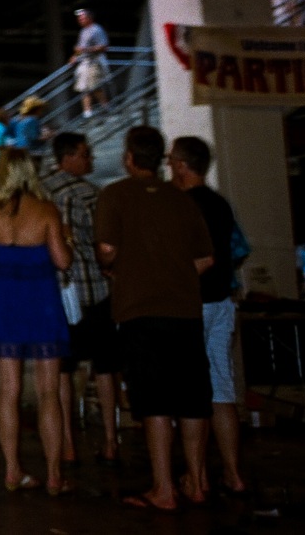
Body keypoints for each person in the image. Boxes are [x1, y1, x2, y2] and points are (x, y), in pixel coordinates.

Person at [95, 127, 214, 513]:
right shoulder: (183, 201)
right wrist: (171, 272)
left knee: (155, 401)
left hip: (139, 311)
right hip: (185, 311)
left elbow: (107, 250)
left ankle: (164, 489)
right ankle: (197, 482)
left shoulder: (115, 195)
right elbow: (205, 259)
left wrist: (123, 268)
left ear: (129, 157)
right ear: (161, 158)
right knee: (194, 399)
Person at [0, 148, 73, 497]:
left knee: (8, 391)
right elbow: (62, 262)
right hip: (42, 304)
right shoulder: (47, 210)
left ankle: (13, 470)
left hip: (5, 305)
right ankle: (54, 474)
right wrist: (67, 241)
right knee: (48, 392)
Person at [168, 136, 247, 498]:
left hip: (191, 305)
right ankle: (233, 473)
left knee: (190, 394)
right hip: (222, 302)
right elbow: (237, 249)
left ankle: (195, 479)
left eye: (172, 161)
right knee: (221, 389)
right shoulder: (220, 203)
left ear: (183, 165)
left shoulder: (183, 205)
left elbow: (188, 259)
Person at [42, 133, 121, 467]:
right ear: (69, 157)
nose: (90, 161)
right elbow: (106, 242)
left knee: (64, 370)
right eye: (86, 155)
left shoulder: (41, 192)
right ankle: (109, 439)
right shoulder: (90, 194)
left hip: (57, 292)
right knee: (104, 367)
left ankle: (68, 444)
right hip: (94, 291)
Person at [70, 9, 111, 117]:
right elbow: (80, 48)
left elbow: (103, 46)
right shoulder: (83, 31)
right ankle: (87, 112)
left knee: (95, 87)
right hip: (85, 62)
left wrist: (86, 50)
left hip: (95, 62)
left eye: (82, 18)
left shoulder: (97, 29)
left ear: (89, 18)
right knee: (84, 88)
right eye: (79, 18)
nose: (80, 20)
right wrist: (75, 56)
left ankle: (106, 107)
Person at [9, 96, 49, 166]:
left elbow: (12, 134)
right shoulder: (33, 120)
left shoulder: (17, 120)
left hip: (19, 150)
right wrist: (47, 136)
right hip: (32, 152)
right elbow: (33, 137)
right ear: (36, 109)